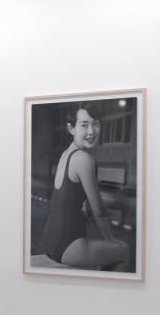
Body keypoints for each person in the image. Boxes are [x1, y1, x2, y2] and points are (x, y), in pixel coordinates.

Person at [41, 102, 129, 270]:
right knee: (123, 251)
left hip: (50, 240)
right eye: (84, 125)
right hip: (67, 246)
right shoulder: (83, 159)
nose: (92, 131)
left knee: (103, 249)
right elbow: (99, 210)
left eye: (95, 124)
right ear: (71, 128)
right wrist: (111, 240)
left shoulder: (65, 155)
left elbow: (83, 207)